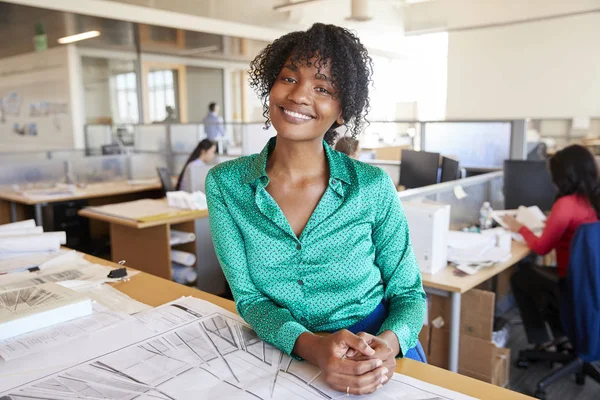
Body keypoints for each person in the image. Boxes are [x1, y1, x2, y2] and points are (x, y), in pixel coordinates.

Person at [205, 23, 426, 396]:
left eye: (322, 88)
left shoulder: (370, 186)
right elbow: (249, 299)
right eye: (289, 78)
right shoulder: (226, 185)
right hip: (285, 351)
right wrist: (313, 347)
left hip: (375, 350)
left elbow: (409, 294)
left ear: (341, 111)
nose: (300, 96)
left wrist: (387, 345)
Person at [504, 144, 600, 350]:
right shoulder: (593, 200)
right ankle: (561, 333)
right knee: (536, 278)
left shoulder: (566, 204)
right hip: (593, 283)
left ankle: (543, 340)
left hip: (573, 283)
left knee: (521, 277)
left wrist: (520, 228)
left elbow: (541, 248)